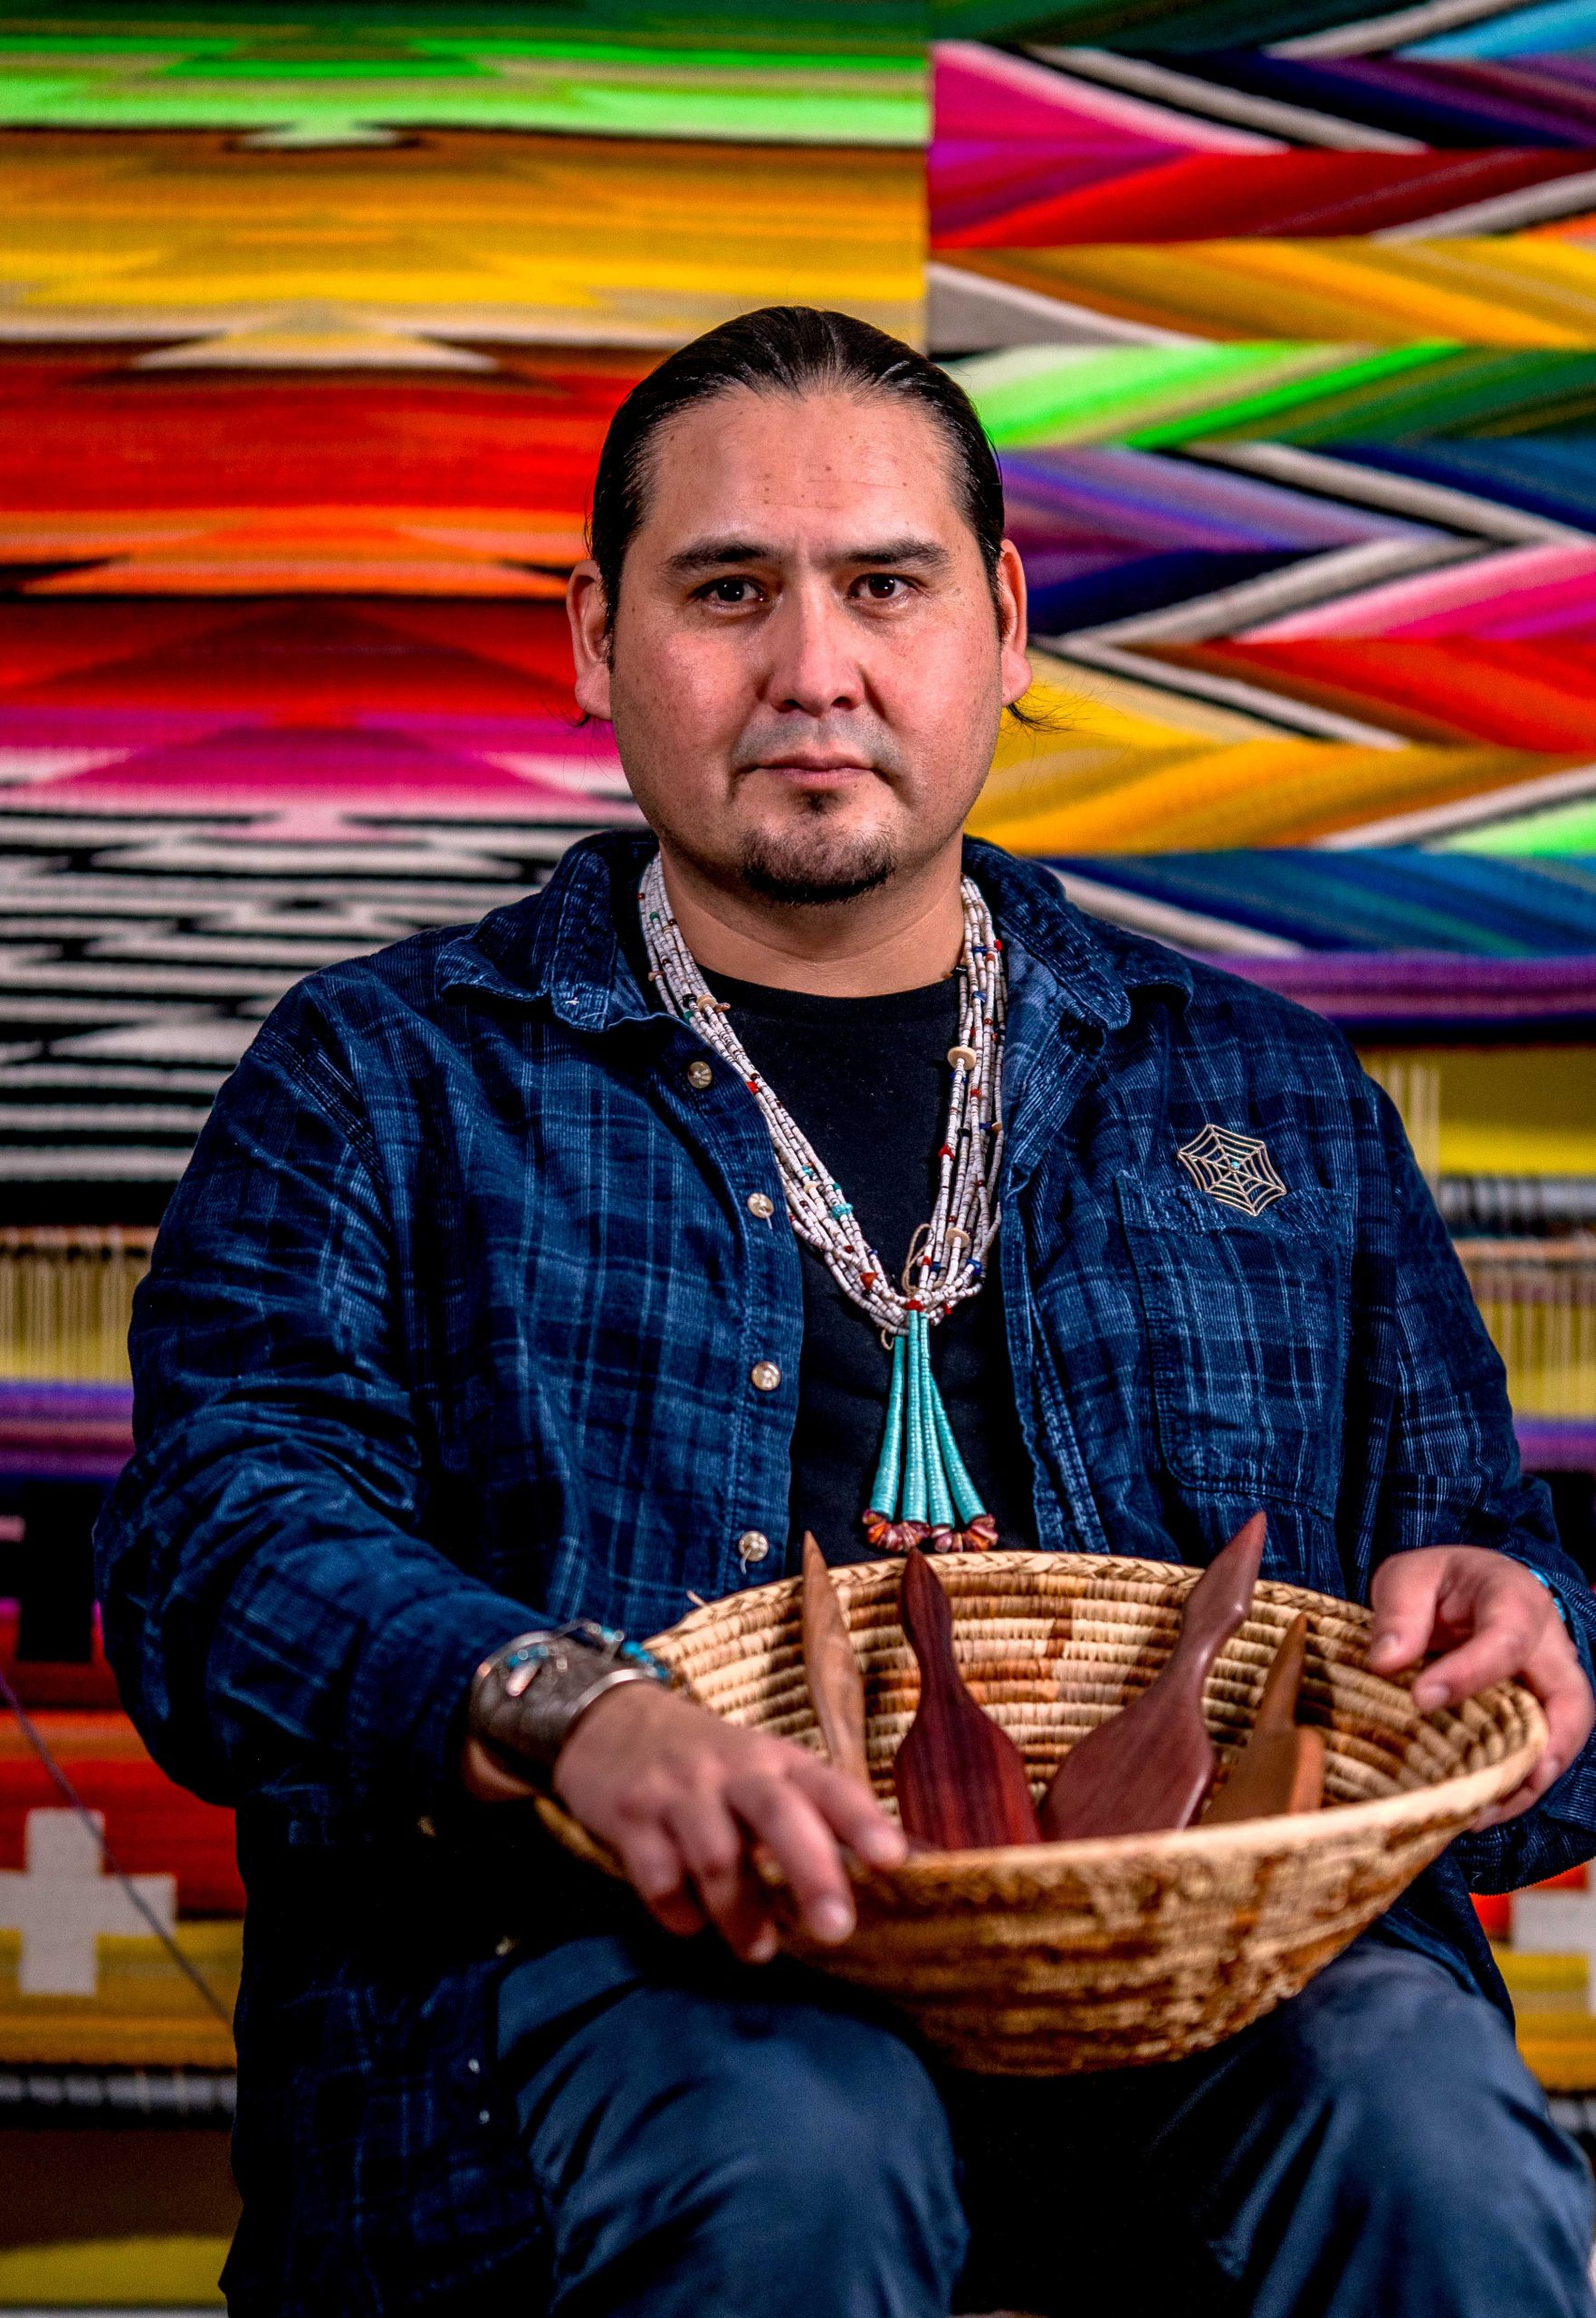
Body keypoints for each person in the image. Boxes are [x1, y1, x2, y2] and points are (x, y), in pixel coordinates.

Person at [97, 305, 1596, 2318]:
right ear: (595, 640)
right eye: (729, 590)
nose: (815, 668)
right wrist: (570, 1714)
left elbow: (1495, 1606)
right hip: (628, 1986)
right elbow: (215, 1553)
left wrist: (1523, 1632)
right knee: (799, 2145)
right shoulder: (385, 1078)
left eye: (885, 585)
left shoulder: (1263, 1093)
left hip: (1219, 1983)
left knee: (1431, 2126)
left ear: (1004, 622)